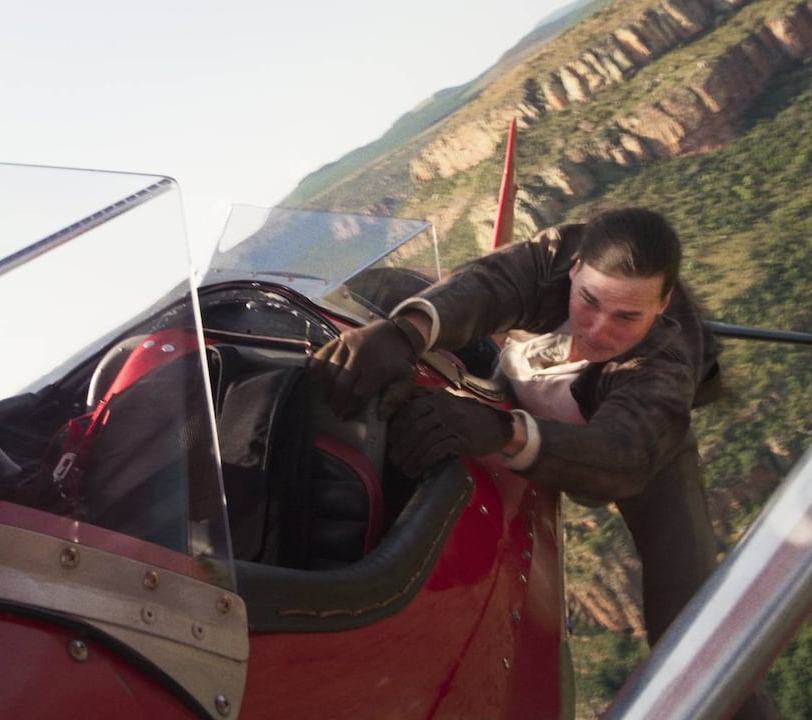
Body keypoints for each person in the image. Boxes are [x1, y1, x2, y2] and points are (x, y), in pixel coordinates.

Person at [309, 207, 777, 719]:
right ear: (574, 269)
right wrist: (404, 335)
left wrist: (498, 431)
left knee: (695, 635)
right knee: (382, 287)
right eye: (590, 301)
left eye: (628, 317)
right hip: (527, 381)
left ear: (663, 305)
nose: (598, 331)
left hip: (641, 450)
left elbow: (622, 455)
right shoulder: (555, 254)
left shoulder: (663, 362)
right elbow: (488, 286)